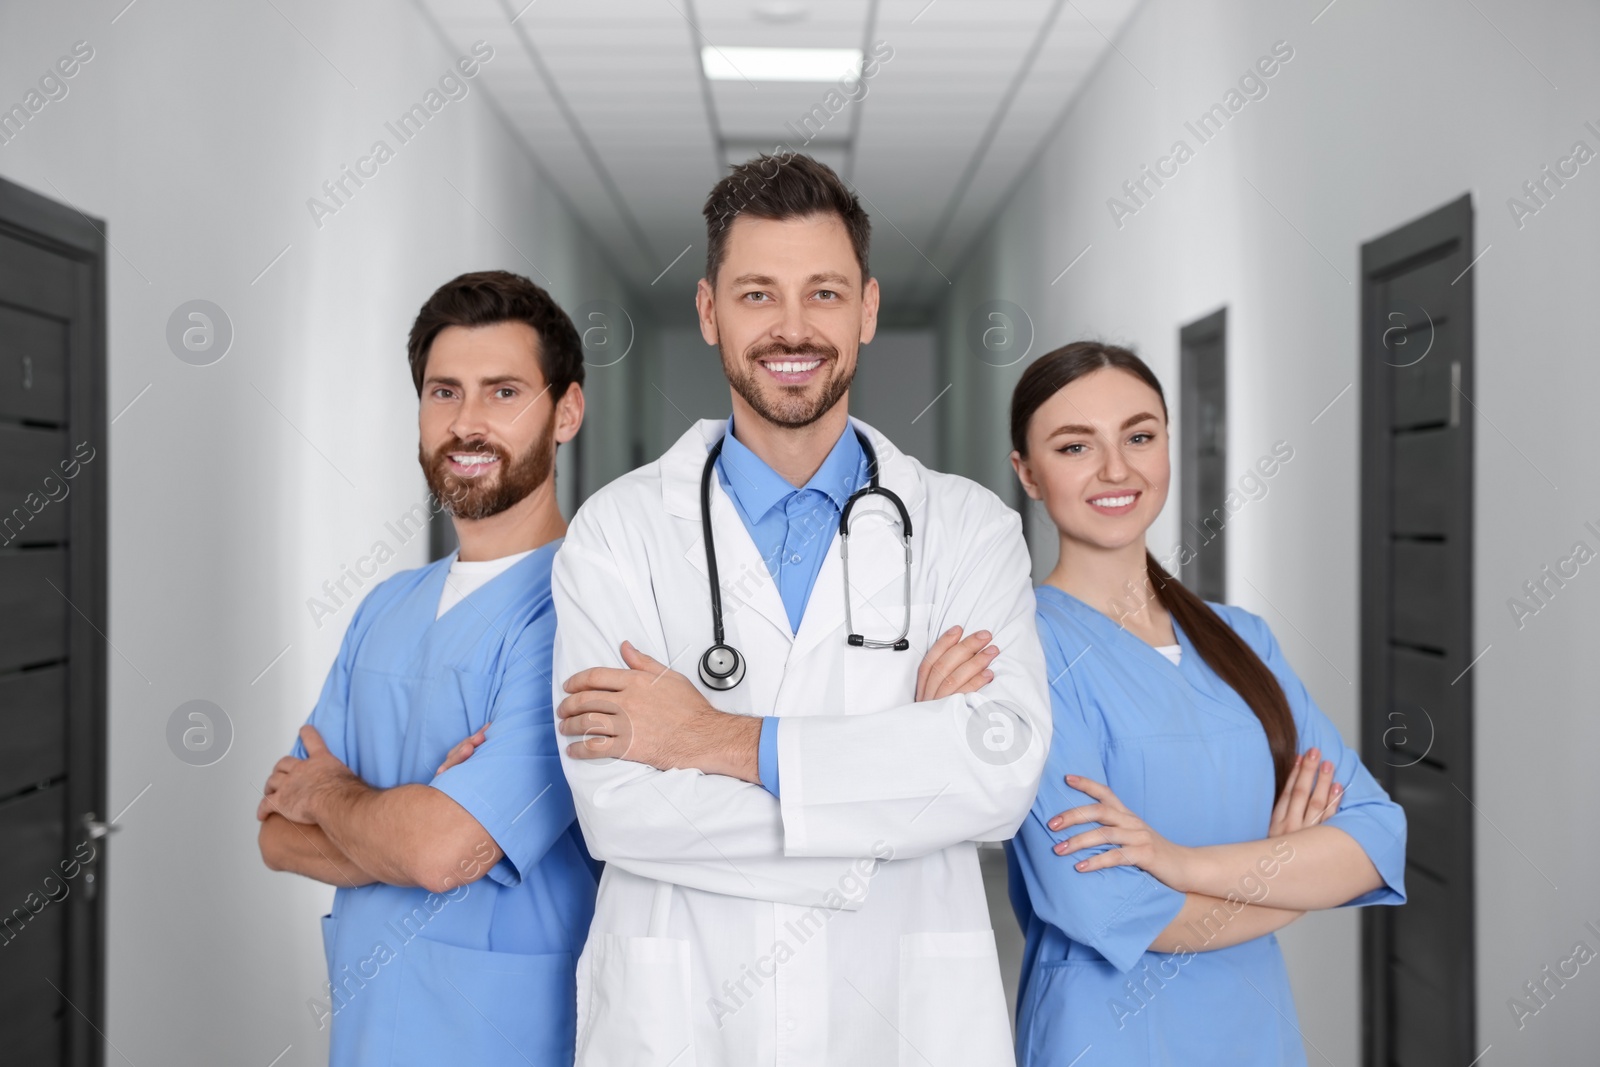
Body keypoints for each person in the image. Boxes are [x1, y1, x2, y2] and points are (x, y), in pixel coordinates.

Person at [547, 153, 1050, 1066]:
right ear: (708, 312)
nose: (791, 327)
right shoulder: (616, 532)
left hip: (905, 1020)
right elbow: (617, 809)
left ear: (866, 308)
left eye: (823, 293)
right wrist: (895, 777)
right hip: (683, 1019)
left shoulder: (968, 527)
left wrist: (712, 740)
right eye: (756, 294)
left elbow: (998, 771)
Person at [1003, 341, 1407, 1065]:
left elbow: (1377, 840)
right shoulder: (1026, 651)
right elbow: (1110, 906)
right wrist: (1290, 876)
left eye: (1139, 435)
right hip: (1107, 1037)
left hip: (1258, 1031)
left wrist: (1178, 862)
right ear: (1028, 473)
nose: (1116, 469)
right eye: (1074, 446)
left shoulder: (1240, 638)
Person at [254, 270, 598, 1066]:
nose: (467, 423)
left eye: (503, 391)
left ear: (566, 410)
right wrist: (409, 826)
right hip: (371, 1033)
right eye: (444, 392)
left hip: (512, 1035)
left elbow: (441, 851)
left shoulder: (580, 612)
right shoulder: (385, 605)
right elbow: (276, 833)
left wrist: (332, 794)